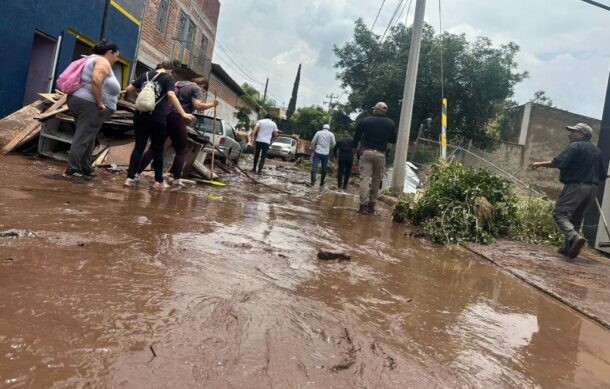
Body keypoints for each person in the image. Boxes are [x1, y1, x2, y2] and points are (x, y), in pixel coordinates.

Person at [529, 123, 606, 258]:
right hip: (592, 189)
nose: (570, 134)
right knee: (576, 219)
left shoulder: (575, 146)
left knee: (559, 213)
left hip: (577, 186)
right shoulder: (597, 151)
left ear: (582, 135)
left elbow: (558, 162)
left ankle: (573, 237)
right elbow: (602, 175)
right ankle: (569, 248)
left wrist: (539, 164)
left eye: (574, 132)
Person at [136, 76, 218, 187]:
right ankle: (176, 179)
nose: (202, 92)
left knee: (154, 147)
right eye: (204, 90)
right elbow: (198, 105)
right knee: (181, 150)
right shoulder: (196, 89)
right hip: (177, 118)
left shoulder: (178, 83)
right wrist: (212, 104)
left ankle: (136, 173)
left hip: (163, 116)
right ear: (202, 86)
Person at [124, 62, 195, 189]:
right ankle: (158, 182)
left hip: (140, 115)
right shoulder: (168, 78)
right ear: (170, 70)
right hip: (157, 118)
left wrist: (139, 98)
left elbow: (129, 89)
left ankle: (130, 178)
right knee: (157, 149)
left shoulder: (145, 75)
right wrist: (183, 113)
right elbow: (171, 95)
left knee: (138, 147)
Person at [64, 41, 122, 181]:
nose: (116, 59)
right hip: (90, 104)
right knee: (83, 137)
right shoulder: (102, 61)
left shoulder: (90, 59)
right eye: (116, 55)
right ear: (109, 53)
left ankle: (85, 167)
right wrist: (100, 102)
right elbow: (96, 80)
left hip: (80, 101)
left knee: (88, 135)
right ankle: (72, 169)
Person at [353, 102, 397, 214]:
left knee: (365, 179)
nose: (373, 111)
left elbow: (357, 134)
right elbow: (393, 140)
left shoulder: (367, 120)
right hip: (381, 155)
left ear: (377, 110)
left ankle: (362, 206)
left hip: (367, 152)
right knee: (376, 180)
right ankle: (371, 206)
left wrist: (354, 147)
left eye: (374, 109)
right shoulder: (390, 123)